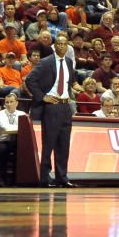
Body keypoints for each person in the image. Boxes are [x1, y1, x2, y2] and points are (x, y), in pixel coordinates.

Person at [28, 35, 77, 187]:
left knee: (64, 145)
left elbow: (68, 83)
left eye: (65, 44)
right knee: (49, 144)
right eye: (59, 44)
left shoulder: (69, 62)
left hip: (65, 107)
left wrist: (68, 97)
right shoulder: (45, 62)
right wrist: (43, 97)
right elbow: (30, 80)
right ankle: (44, 178)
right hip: (52, 106)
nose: (62, 46)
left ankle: (62, 177)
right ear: (55, 46)